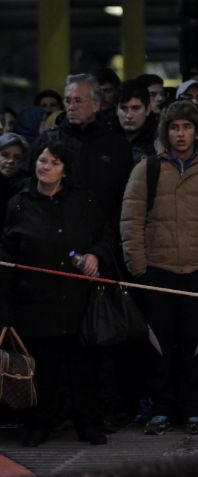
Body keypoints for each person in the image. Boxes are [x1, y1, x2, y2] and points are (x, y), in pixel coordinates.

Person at [120, 100, 198, 436]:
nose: (180, 134)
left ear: (197, 132)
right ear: (165, 131)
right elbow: (131, 221)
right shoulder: (147, 169)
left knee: (197, 347)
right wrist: (138, 267)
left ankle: (194, 408)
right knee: (157, 346)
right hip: (157, 271)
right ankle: (160, 407)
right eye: (174, 127)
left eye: (186, 127)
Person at [0, 141, 115, 447]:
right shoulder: (19, 204)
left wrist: (95, 255)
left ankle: (88, 423)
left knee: (83, 368)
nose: (46, 166)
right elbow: (6, 259)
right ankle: (40, 424)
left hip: (78, 301)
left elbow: (105, 235)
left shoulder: (83, 201)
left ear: (65, 170)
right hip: (35, 302)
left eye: (54, 162)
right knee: (44, 369)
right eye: (42, 160)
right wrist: (6, 310)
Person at [35, 74, 134, 226]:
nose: (71, 107)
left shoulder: (116, 145)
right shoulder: (49, 140)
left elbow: (128, 196)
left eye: (78, 101)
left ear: (96, 105)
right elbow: (23, 182)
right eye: (67, 101)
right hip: (53, 229)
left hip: (102, 233)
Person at [116, 80, 156, 163]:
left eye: (135, 108)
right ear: (116, 110)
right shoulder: (106, 140)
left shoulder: (159, 143)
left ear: (147, 110)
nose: (129, 115)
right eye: (123, 108)